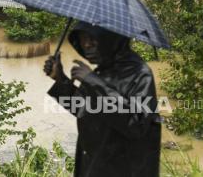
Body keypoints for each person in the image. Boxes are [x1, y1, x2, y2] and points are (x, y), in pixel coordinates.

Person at [44, 21, 161, 177]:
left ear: (111, 38)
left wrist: (94, 82)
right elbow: (83, 110)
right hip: (94, 165)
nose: (86, 44)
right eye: (82, 38)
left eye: (93, 38)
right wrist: (61, 79)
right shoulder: (104, 70)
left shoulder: (139, 73)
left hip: (123, 170)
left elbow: (137, 124)